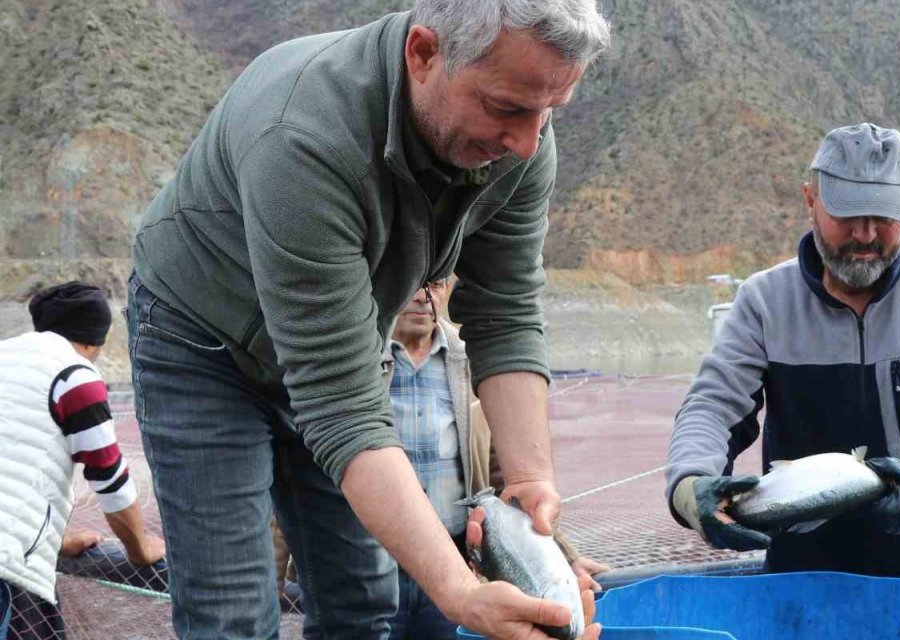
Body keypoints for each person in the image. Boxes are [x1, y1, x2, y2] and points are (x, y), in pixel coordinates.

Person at [125, 1, 610, 638]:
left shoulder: (524, 141)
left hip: (343, 341)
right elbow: (340, 404)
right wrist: (460, 593)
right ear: (424, 53)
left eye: (548, 111)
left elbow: (505, 309)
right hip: (202, 344)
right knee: (232, 614)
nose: (526, 142)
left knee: (362, 599)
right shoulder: (303, 136)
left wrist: (529, 482)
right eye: (505, 108)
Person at [665, 123, 900, 582]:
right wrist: (690, 487)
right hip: (803, 579)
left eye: (884, 217)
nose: (866, 234)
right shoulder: (764, 301)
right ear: (810, 199)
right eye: (848, 216)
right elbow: (713, 408)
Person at [386, 280, 610, 639]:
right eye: (411, 282)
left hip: (458, 566)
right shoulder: (357, 362)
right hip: (369, 569)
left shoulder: (474, 361)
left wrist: (563, 557)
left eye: (437, 283)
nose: (422, 296)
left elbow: (508, 480)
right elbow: (301, 470)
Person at [0, 282, 166, 638]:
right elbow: (111, 482)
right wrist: (140, 547)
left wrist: (54, 542)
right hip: (8, 573)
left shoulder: (7, 358)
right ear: (93, 342)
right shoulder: (75, 376)